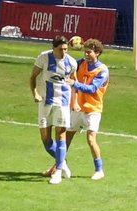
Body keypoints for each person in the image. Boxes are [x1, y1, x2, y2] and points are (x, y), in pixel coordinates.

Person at [29, 35, 77, 184]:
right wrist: (35, 93)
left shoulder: (71, 62)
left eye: (66, 49)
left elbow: (74, 82)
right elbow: (33, 77)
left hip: (62, 102)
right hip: (45, 102)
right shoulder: (44, 58)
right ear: (53, 48)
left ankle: (57, 172)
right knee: (46, 140)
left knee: (61, 135)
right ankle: (63, 163)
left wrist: (74, 102)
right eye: (61, 49)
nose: (64, 52)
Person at [66, 38, 110, 181]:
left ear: (97, 53)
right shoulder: (81, 64)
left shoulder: (102, 71)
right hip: (78, 108)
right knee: (66, 137)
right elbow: (70, 65)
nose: (86, 55)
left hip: (93, 109)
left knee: (91, 139)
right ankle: (58, 165)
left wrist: (74, 83)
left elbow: (92, 89)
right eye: (85, 52)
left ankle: (99, 170)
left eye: (89, 52)